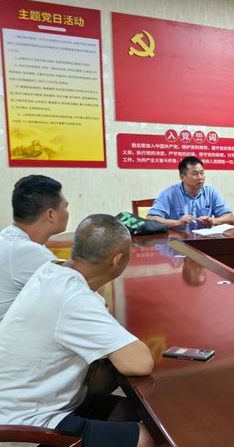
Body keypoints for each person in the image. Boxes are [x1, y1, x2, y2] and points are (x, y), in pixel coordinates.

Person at [0, 214, 155, 447]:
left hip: (30, 400)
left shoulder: (51, 270)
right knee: (149, 436)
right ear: (118, 259)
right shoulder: (73, 297)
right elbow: (139, 363)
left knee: (135, 411)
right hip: (27, 421)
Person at [0, 175, 69, 321]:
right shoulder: (27, 252)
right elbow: (78, 298)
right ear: (51, 214)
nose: (67, 213)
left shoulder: (9, 239)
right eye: (65, 207)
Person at [147, 156, 234, 229]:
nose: (200, 177)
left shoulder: (210, 192)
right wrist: (177, 223)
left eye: (202, 173)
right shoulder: (169, 194)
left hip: (204, 240)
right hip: (177, 241)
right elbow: (151, 219)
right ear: (182, 176)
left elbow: (230, 217)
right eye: (195, 174)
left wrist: (214, 221)